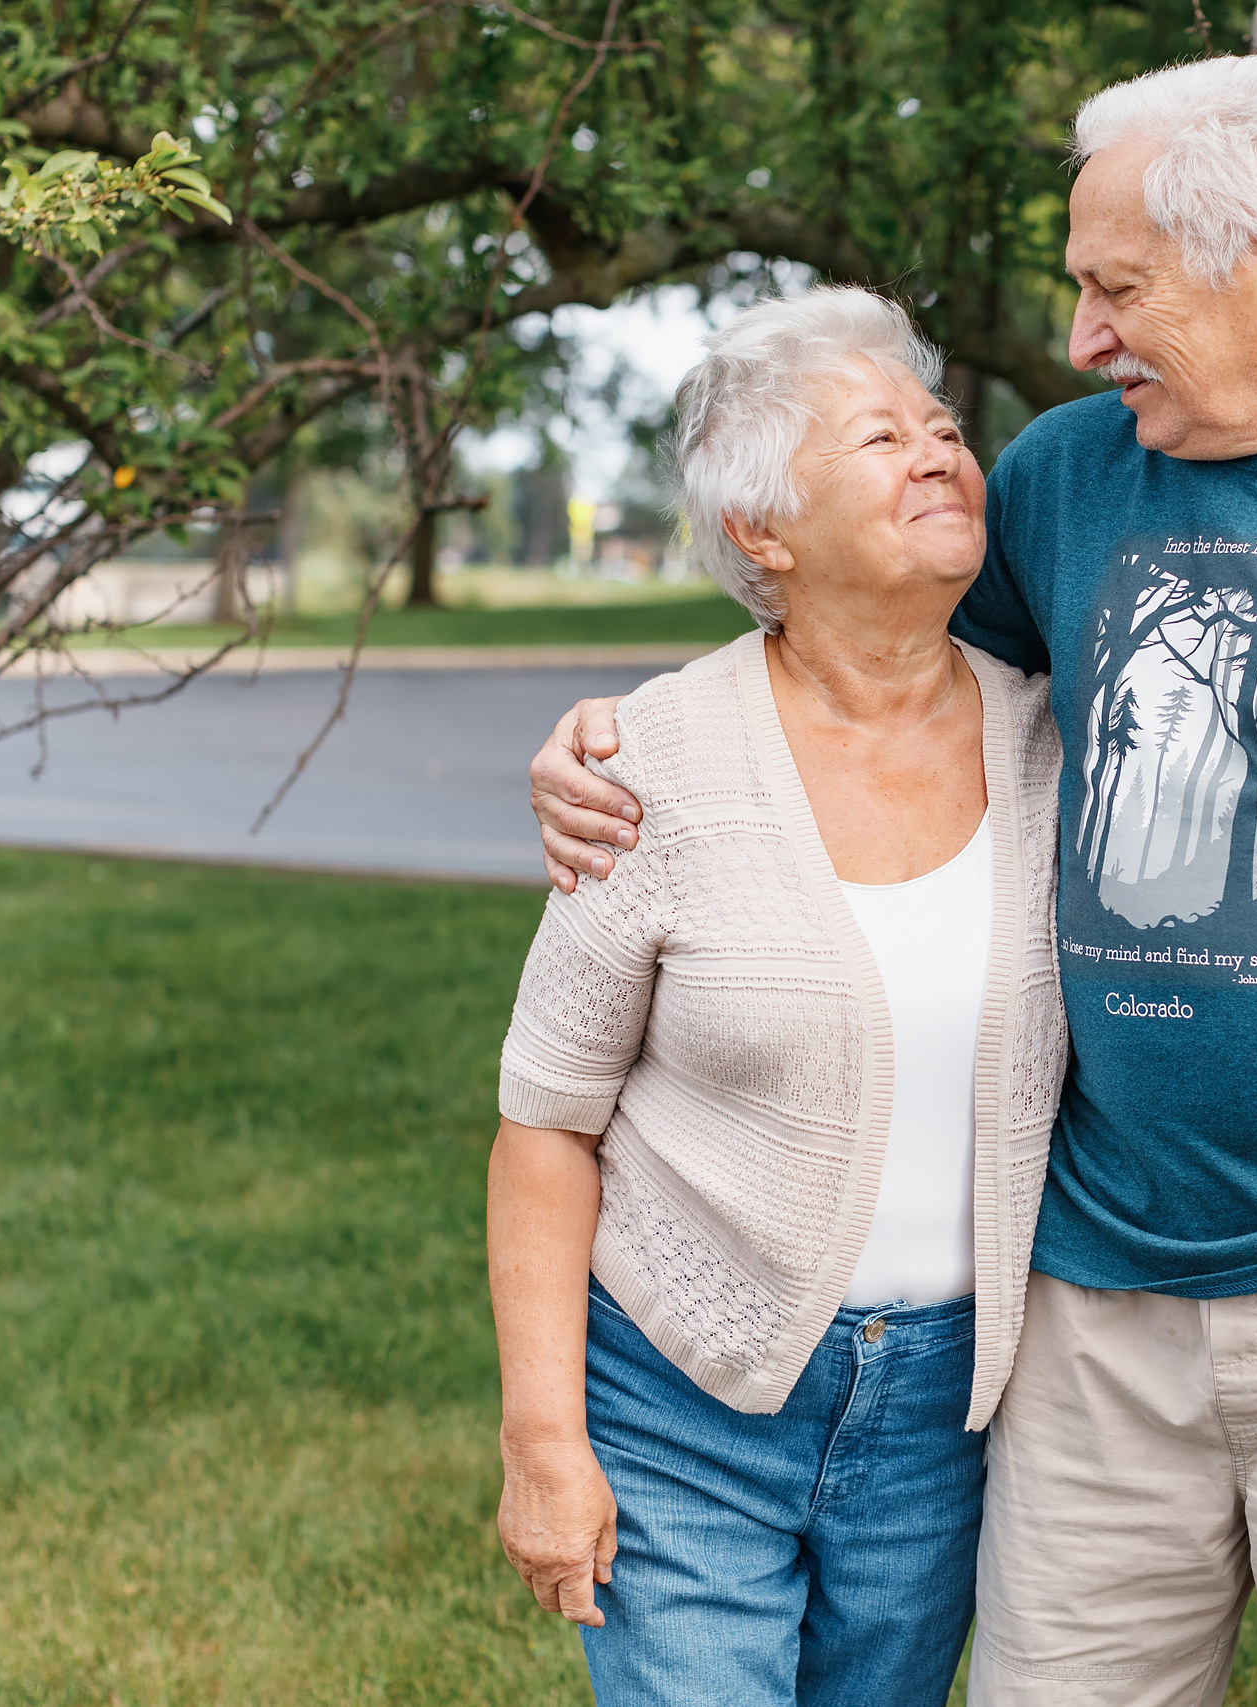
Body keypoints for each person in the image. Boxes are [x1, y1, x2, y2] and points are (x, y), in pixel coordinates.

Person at [529, 55, 1257, 1707]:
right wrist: (620, 743)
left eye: (1118, 288)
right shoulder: (1063, 480)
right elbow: (868, 670)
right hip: (1094, 1304)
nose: (1084, 339)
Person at [485, 286, 1065, 1707]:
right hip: (677, 1401)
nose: (938, 450)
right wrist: (543, 1442)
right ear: (763, 532)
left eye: (941, 425)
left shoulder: (1060, 746)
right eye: (880, 437)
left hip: (950, 1418)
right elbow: (545, 1126)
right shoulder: (649, 766)